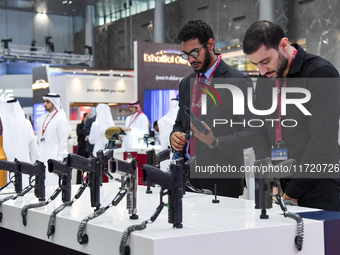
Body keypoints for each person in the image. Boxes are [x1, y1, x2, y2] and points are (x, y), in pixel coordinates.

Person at [243, 20, 340, 211]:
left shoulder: (321, 74)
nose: (261, 71)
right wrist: (270, 178)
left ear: (283, 44)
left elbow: (323, 141)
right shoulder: (265, 79)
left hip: (319, 187)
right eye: (256, 64)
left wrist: (293, 193)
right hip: (281, 186)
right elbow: (259, 130)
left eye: (265, 61)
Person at [170, 20, 253, 198]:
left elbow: (251, 133)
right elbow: (180, 123)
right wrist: (175, 135)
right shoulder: (186, 83)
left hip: (222, 181)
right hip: (188, 178)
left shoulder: (238, 81)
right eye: (186, 55)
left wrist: (215, 142)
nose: (191, 60)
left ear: (210, 45)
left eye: (194, 52)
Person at [0, 98, 39, 187]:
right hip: (24, 173)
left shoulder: (1, 127)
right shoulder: (26, 124)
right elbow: (35, 152)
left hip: (5, 175)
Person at [37, 93, 71, 186]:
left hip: (54, 158)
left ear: (54, 103)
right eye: (45, 101)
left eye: (48, 102)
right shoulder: (42, 118)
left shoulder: (60, 119)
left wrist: (60, 160)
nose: (45, 104)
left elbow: (63, 142)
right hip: (42, 157)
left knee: (53, 184)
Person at [76, 112, 90, 184]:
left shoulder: (90, 126)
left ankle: (87, 181)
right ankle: (79, 182)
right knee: (80, 167)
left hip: (88, 149)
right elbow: (79, 134)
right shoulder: (79, 125)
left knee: (88, 166)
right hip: (81, 148)